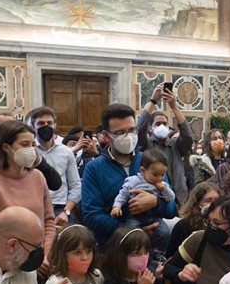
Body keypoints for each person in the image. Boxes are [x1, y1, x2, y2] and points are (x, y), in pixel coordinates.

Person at [82, 104, 177, 246]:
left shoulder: (150, 161)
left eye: (132, 130)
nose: (128, 136)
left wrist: (155, 202)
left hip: (151, 243)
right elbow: (91, 216)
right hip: (114, 247)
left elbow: (172, 209)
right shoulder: (94, 168)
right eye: (120, 132)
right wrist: (130, 231)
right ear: (107, 135)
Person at [0, 121, 57, 261]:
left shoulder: (38, 176)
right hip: (7, 259)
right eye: (25, 145)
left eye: (33, 145)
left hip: (40, 257)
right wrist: (23, 257)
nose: (31, 150)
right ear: (6, 147)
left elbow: (49, 221)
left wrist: (45, 254)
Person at [110, 147, 175, 254]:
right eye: (155, 175)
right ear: (143, 170)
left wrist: (163, 190)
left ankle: (158, 253)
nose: (159, 178)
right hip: (135, 216)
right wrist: (116, 206)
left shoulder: (162, 185)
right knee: (132, 233)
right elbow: (122, 195)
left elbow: (171, 199)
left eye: (162, 175)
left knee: (165, 232)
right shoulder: (133, 182)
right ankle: (132, 253)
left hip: (154, 217)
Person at [137, 84, 193, 204]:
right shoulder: (146, 145)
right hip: (154, 197)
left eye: (164, 123)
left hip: (179, 197)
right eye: (157, 124)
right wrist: (153, 100)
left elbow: (187, 136)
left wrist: (174, 106)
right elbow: (139, 128)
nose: (162, 126)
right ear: (151, 128)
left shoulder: (175, 145)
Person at [29, 107, 81, 226]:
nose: (46, 126)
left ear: (55, 125)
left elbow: (76, 186)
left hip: (60, 209)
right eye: (41, 123)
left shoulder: (66, 152)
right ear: (33, 127)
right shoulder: (29, 151)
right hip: (35, 208)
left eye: (49, 123)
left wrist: (66, 212)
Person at [166, 181, 221, 256]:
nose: (214, 204)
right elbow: (171, 256)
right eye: (208, 200)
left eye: (217, 200)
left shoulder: (224, 225)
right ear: (197, 203)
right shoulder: (183, 226)